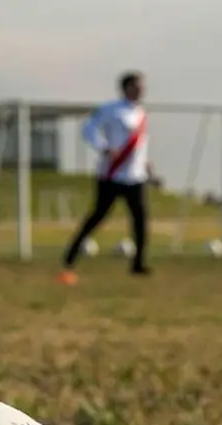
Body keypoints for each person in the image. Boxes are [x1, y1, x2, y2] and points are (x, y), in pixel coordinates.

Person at [58, 71, 151, 285]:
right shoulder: (111, 109)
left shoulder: (141, 113)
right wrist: (104, 148)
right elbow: (88, 128)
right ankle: (70, 256)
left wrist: (145, 163)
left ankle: (138, 263)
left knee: (140, 220)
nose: (141, 90)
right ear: (126, 88)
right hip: (112, 174)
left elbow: (139, 144)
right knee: (97, 216)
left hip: (135, 177)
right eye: (137, 86)